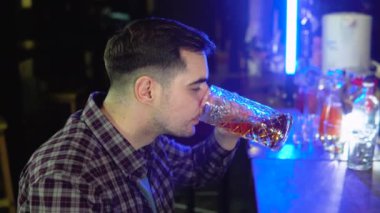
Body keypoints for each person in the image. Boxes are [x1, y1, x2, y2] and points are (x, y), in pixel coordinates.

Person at [18, 17, 241, 212]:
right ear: (147, 91)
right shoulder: (66, 177)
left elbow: (194, 168)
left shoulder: (148, 138)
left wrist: (225, 135)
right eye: (195, 88)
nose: (208, 99)